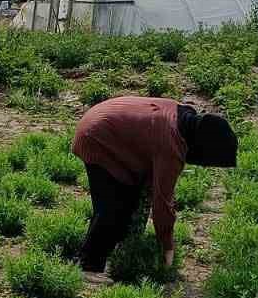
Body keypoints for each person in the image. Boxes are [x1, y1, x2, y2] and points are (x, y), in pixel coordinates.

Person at [72, 95, 237, 273]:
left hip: (105, 123)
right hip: (96, 136)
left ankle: (118, 255)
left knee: (129, 201)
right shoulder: (171, 144)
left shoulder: (182, 117)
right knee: (113, 208)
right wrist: (167, 247)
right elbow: (162, 203)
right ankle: (88, 264)